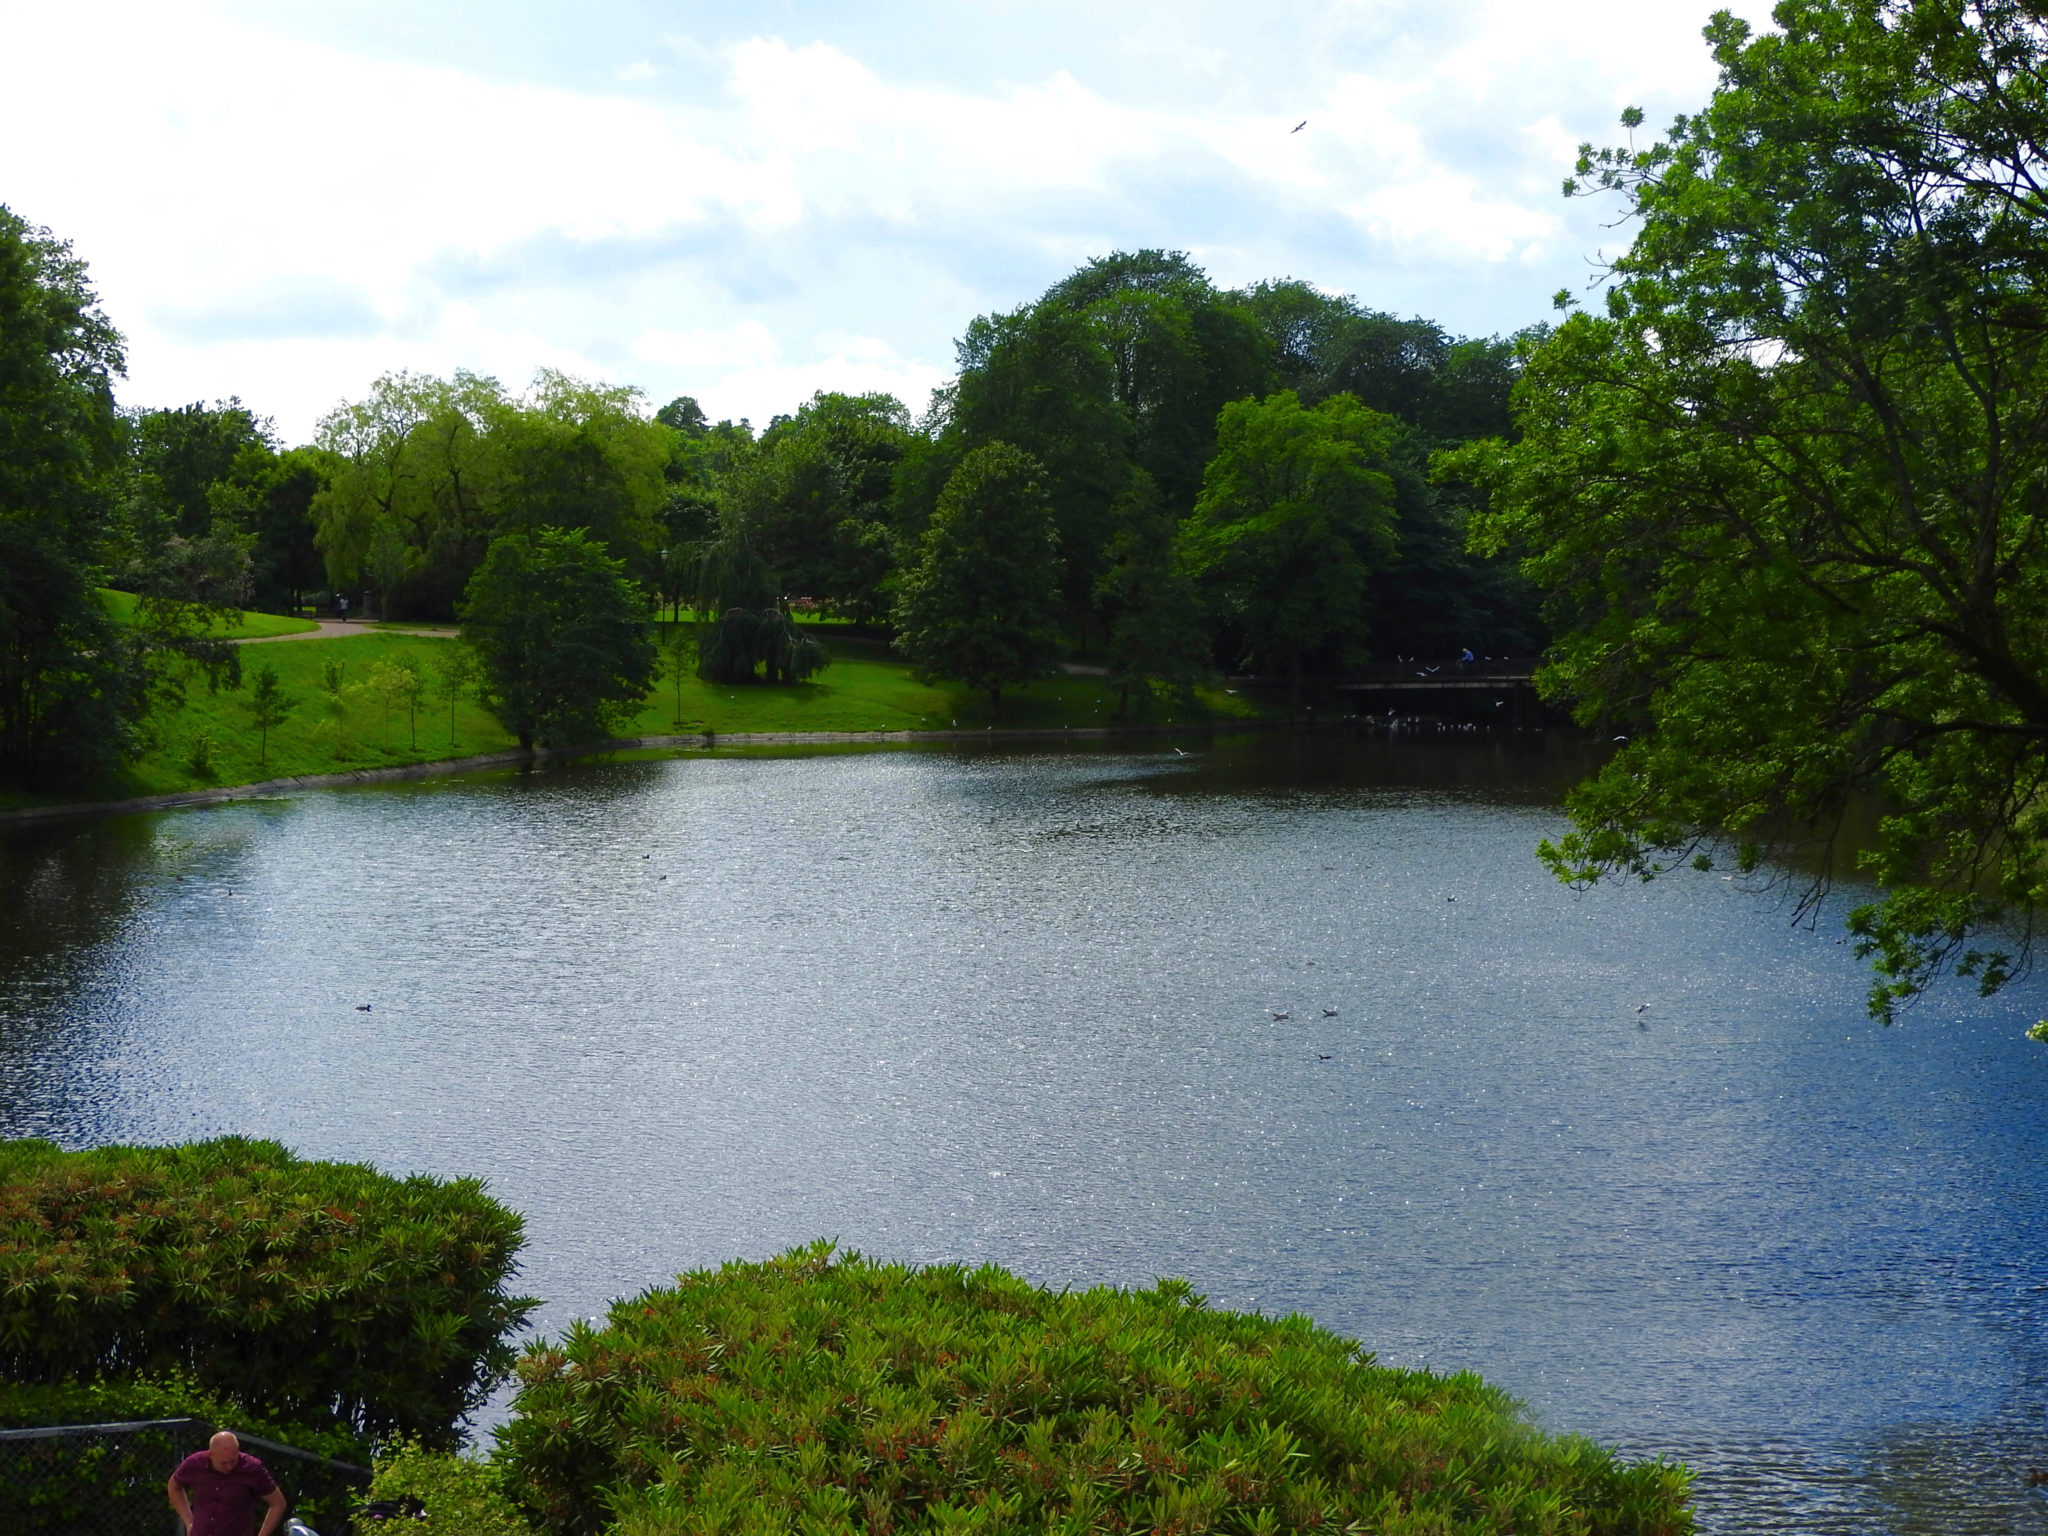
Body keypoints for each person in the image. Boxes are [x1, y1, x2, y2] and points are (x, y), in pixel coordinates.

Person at [167, 1431, 287, 1536]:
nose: (229, 1467)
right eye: (224, 1463)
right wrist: (189, 1522)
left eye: (233, 1461)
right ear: (211, 1455)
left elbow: (278, 1503)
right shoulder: (195, 1464)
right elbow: (174, 1486)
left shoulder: (252, 1469)